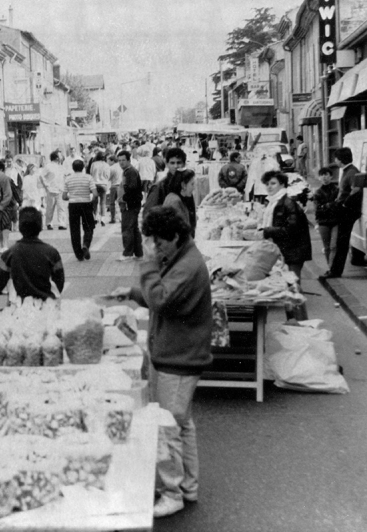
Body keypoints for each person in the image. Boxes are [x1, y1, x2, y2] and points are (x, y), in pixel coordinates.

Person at [109, 206, 213, 518]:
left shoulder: (188, 266)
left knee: (167, 426)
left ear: (177, 236)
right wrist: (131, 292)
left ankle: (172, 493)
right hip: (176, 353)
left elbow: (161, 298)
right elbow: (162, 296)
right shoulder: (183, 258)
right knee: (181, 424)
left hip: (178, 357)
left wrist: (148, 266)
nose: (156, 247)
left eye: (159, 241)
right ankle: (187, 486)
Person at [259, 170, 312, 320]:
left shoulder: (288, 203)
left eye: (273, 183)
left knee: (293, 289)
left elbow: (291, 229)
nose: (269, 187)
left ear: (282, 184)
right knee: (288, 288)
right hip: (285, 250)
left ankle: (301, 324)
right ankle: (293, 321)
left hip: (293, 251)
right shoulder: (274, 202)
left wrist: (267, 231)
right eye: (267, 184)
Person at [0, 207, 65, 301]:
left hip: (21, 306)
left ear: (20, 227)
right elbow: (59, 280)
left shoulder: (10, 253)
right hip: (47, 305)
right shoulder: (52, 252)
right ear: (40, 227)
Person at [321, 147, 361, 279]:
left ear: (341, 159)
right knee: (340, 242)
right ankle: (334, 269)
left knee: (341, 243)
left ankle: (335, 271)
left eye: (336, 158)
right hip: (344, 210)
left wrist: (344, 204)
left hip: (347, 211)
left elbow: (355, 191)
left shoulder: (351, 172)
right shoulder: (348, 171)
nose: (335, 160)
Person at [63, 159, 97, 261]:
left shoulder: (68, 179)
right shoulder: (88, 177)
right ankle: (86, 244)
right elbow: (95, 194)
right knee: (89, 226)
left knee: (74, 229)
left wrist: (73, 197)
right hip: (86, 204)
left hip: (73, 205)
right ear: (83, 167)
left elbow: (64, 196)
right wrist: (90, 200)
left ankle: (79, 254)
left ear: (73, 168)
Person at [117, 150, 144, 262]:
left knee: (127, 228)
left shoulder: (130, 172)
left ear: (129, 160)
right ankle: (138, 252)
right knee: (133, 228)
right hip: (132, 204)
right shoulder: (128, 171)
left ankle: (128, 253)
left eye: (123, 160)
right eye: (119, 160)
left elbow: (132, 187)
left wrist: (124, 198)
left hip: (130, 204)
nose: (121, 163)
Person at [313, 166, 340, 265]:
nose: (324, 177)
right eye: (321, 175)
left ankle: (333, 267)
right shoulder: (318, 193)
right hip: (323, 222)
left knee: (334, 246)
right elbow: (318, 209)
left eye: (326, 175)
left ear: (331, 176)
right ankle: (330, 266)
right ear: (319, 178)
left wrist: (325, 206)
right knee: (327, 246)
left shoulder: (337, 190)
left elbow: (339, 205)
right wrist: (330, 204)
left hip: (335, 221)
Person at [163, 169, 197, 234]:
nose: (194, 188)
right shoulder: (175, 201)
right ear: (183, 185)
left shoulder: (175, 197)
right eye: (192, 184)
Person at [41, 150, 68, 230]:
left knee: (61, 208)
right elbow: (42, 176)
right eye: (60, 156)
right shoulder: (48, 166)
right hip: (51, 190)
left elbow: (65, 177)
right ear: (56, 158)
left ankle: (61, 223)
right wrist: (46, 186)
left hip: (60, 190)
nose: (61, 157)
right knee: (50, 208)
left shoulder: (61, 167)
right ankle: (49, 223)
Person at [89, 151, 110, 226]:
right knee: (103, 202)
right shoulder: (106, 165)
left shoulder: (93, 164)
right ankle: (103, 218)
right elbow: (108, 176)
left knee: (95, 201)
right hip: (103, 184)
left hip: (95, 184)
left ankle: (95, 217)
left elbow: (91, 173)